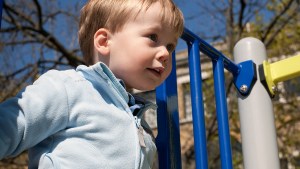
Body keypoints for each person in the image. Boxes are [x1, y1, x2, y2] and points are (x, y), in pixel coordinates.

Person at [0, 0, 184, 168]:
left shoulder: (142, 126)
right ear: (104, 41)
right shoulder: (70, 88)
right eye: (153, 37)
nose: (166, 54)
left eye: (170, 46)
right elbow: (11, 125)